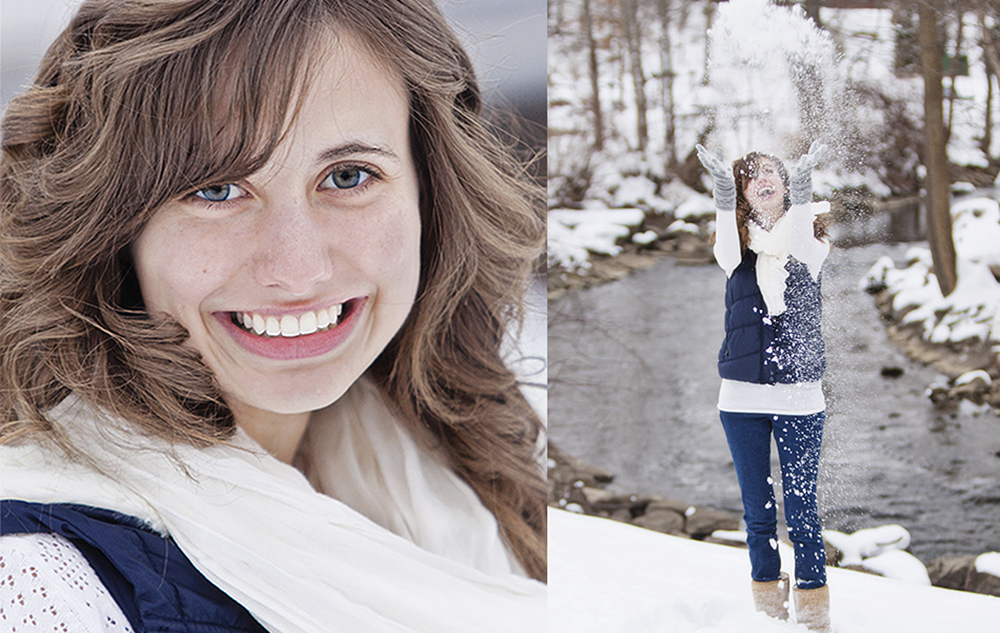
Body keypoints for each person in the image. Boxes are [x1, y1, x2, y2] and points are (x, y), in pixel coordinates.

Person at [0, 1, 546, 631]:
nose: (298, 269)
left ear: (430, 195)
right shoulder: (41, 584)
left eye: (347, 176)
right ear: (111, 228)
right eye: (216, 189)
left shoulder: (444, 473)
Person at [697, 142, 832, 632]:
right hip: (741, 400)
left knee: (801, 513)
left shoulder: (809, 245)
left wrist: (805, 180)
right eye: (749, 176)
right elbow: (729, 241)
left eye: (771, 171)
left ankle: (815, 620)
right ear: (742, 193)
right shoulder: (733, 250)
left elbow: (795, 238)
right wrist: (718, 190)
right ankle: (768, 618)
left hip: (800, 400)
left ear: (785, 183)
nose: (762, 178)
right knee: (758, 514)